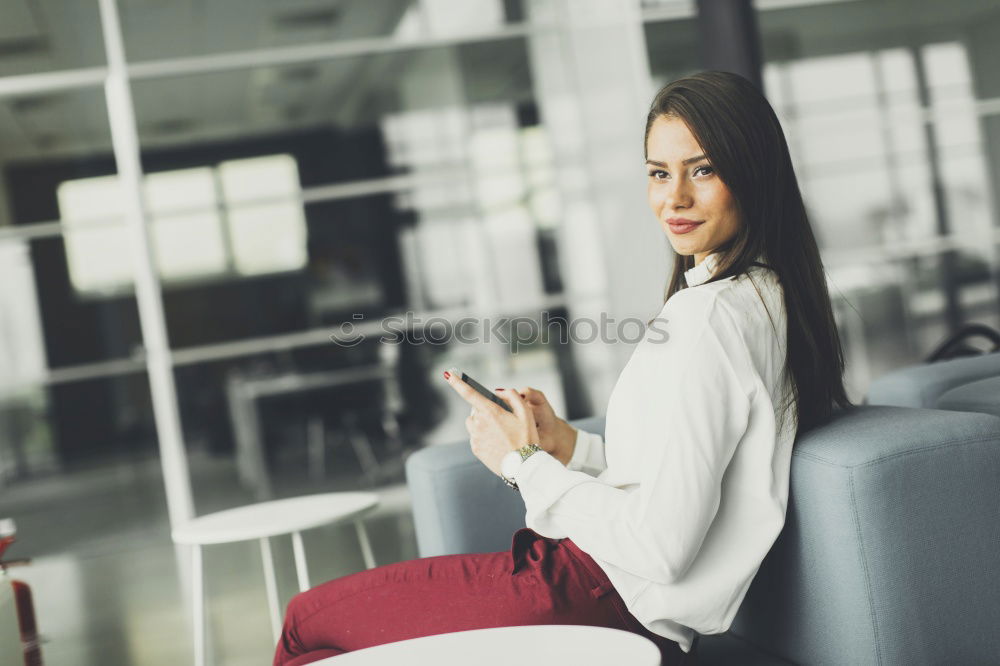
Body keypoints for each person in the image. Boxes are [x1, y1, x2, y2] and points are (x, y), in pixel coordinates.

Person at [272, 70, 854, 666]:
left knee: (303, 628)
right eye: (659, 172)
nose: (673, 198)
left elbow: (660, 547)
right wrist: (571, 447)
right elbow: (687, 474)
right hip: (606, 599)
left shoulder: (708, 319)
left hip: (592, 600)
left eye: (703, 170)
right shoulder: (768, 299)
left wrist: (520, 463)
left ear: (754, 174)